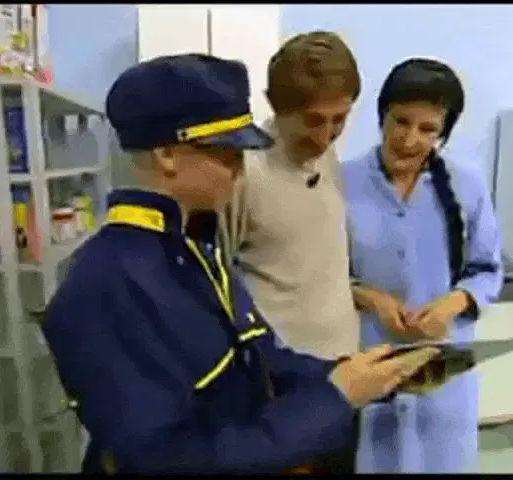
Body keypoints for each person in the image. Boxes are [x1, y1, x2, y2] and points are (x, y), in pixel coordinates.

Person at [40, 53, 421, 474]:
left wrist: (358, 374)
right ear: (167, 155)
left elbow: (259, 358)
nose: (240, 171)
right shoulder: (108, 284)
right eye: (228, 154)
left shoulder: (192, 248)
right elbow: (171, 459)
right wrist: (334, 399)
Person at [343, 57, 504, 473]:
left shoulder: (467, 184)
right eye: (401, 121)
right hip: (371, 361)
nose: (410, 139)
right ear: (382, 115)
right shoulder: (342, 182)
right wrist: (372, 298)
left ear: (443, 134)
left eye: (428, 129)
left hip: (444, 371)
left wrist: (452, 303)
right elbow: (324, 275)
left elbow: (488, 269)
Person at [221, 31, 362, 473]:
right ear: (274, 105)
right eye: (313, 121)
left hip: (344, 365)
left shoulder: (328, 158)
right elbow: (215, 282)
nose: (326, 136)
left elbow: (314, 260)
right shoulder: (244, 173)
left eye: (339, 120)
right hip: (281, 382)